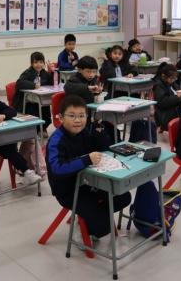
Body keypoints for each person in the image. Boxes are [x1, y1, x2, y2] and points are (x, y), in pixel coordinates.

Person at [46, 95, 131, 239]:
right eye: (72, 116)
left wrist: (100, 133)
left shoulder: (84, 132)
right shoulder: (56, 140)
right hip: (68, 190)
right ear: (61, 118)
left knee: (123, 197)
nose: (77, 120)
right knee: (103, 227)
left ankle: (90, 219)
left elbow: (103, 148)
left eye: (81, 116)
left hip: (89, 182)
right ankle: (86, 226)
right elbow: (57, 168)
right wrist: (86, 160)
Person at [12, 51, 53, 129]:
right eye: (36, 62)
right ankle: (36, 130)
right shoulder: (28, 72)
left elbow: (52, 82)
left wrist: (52, 72)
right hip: (26, 101)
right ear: (31, 63)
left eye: (41, 62)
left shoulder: (44, 73)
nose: (38, 64)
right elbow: (19, 83)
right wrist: (33, 85)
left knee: (45, 109)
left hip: (40, 97)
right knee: (34, 111)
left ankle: (43, 128)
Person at [152, 63, 181, 130]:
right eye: (171, 78)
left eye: (175, 78)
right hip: (165, 115)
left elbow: (178, 92)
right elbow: (162, 102)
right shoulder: (159, 86)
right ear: (163, 76)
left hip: (173, 110)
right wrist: (177, 97)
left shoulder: (172, 84)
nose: (173, 80)